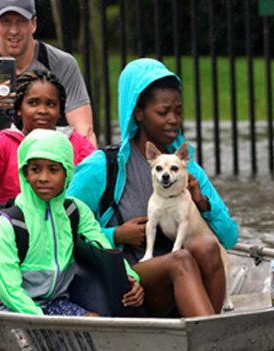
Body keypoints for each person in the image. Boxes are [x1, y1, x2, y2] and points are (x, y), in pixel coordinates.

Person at [67, 58, 239, 317]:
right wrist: (116, 235)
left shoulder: (185, 168)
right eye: (163, 112)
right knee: (181, 259)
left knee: (206, 247)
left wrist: (202, 204)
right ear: (138, 113)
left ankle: (203, 333)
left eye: (178, 112)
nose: (173, 120)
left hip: (181, 283)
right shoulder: (102, 166)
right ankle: (210, 340)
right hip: (128, 282)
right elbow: (62, 226)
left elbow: (229, 238)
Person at [0, 129, 143, 315]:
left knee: (94, 321)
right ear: (25, 173)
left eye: (53, 170)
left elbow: (102, 246)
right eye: (35, 169)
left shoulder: (75, 211)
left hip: (53, 302)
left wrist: (130, 277)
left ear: (68, 173)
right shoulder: (10, 223)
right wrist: (39, 319)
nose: (43, 178)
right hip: (8, 306)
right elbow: (8, 289)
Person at [0, 0, 96, 206]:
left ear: (33, 24)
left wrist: (76, 203)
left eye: (21, 22)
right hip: (4, 194)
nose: (13, 30)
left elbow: (84, 131)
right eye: (5, 21)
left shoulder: (62, 64)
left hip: (62, 192)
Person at [0, 70, 95, 206]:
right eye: (33, 103)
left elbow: (96, 185)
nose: (42, 110)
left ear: (60, 111)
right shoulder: (3, 142)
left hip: (65, 223)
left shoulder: (78, 144)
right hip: (11, 223)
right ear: (19, 109)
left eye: (51, 104)